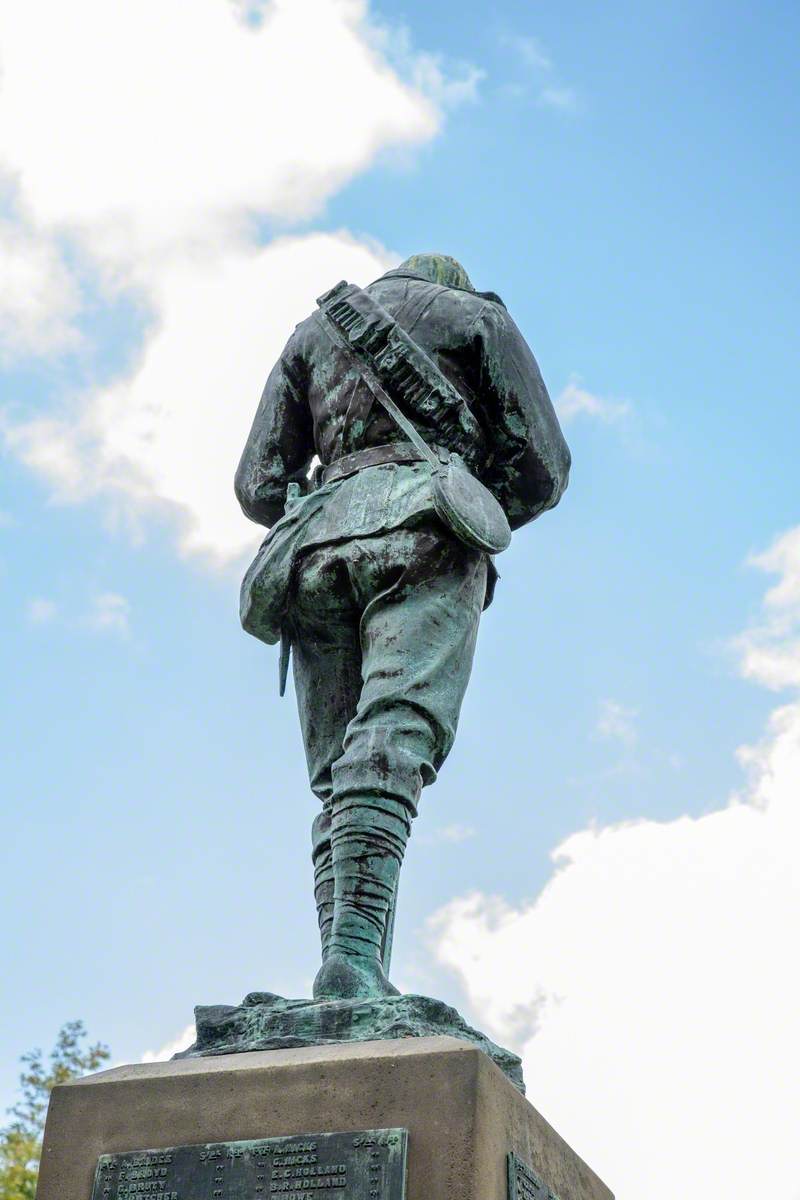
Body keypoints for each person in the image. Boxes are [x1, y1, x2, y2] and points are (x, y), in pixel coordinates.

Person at [235, 253, 570, 1001]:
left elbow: (258, 483)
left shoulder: (311, 334)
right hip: (426, 530)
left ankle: (354, 971)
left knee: (340, 775)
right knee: (393, 739)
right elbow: (543, 466)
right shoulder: (480, 319)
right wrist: (470, 507)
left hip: (314, 549)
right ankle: (353, 960)